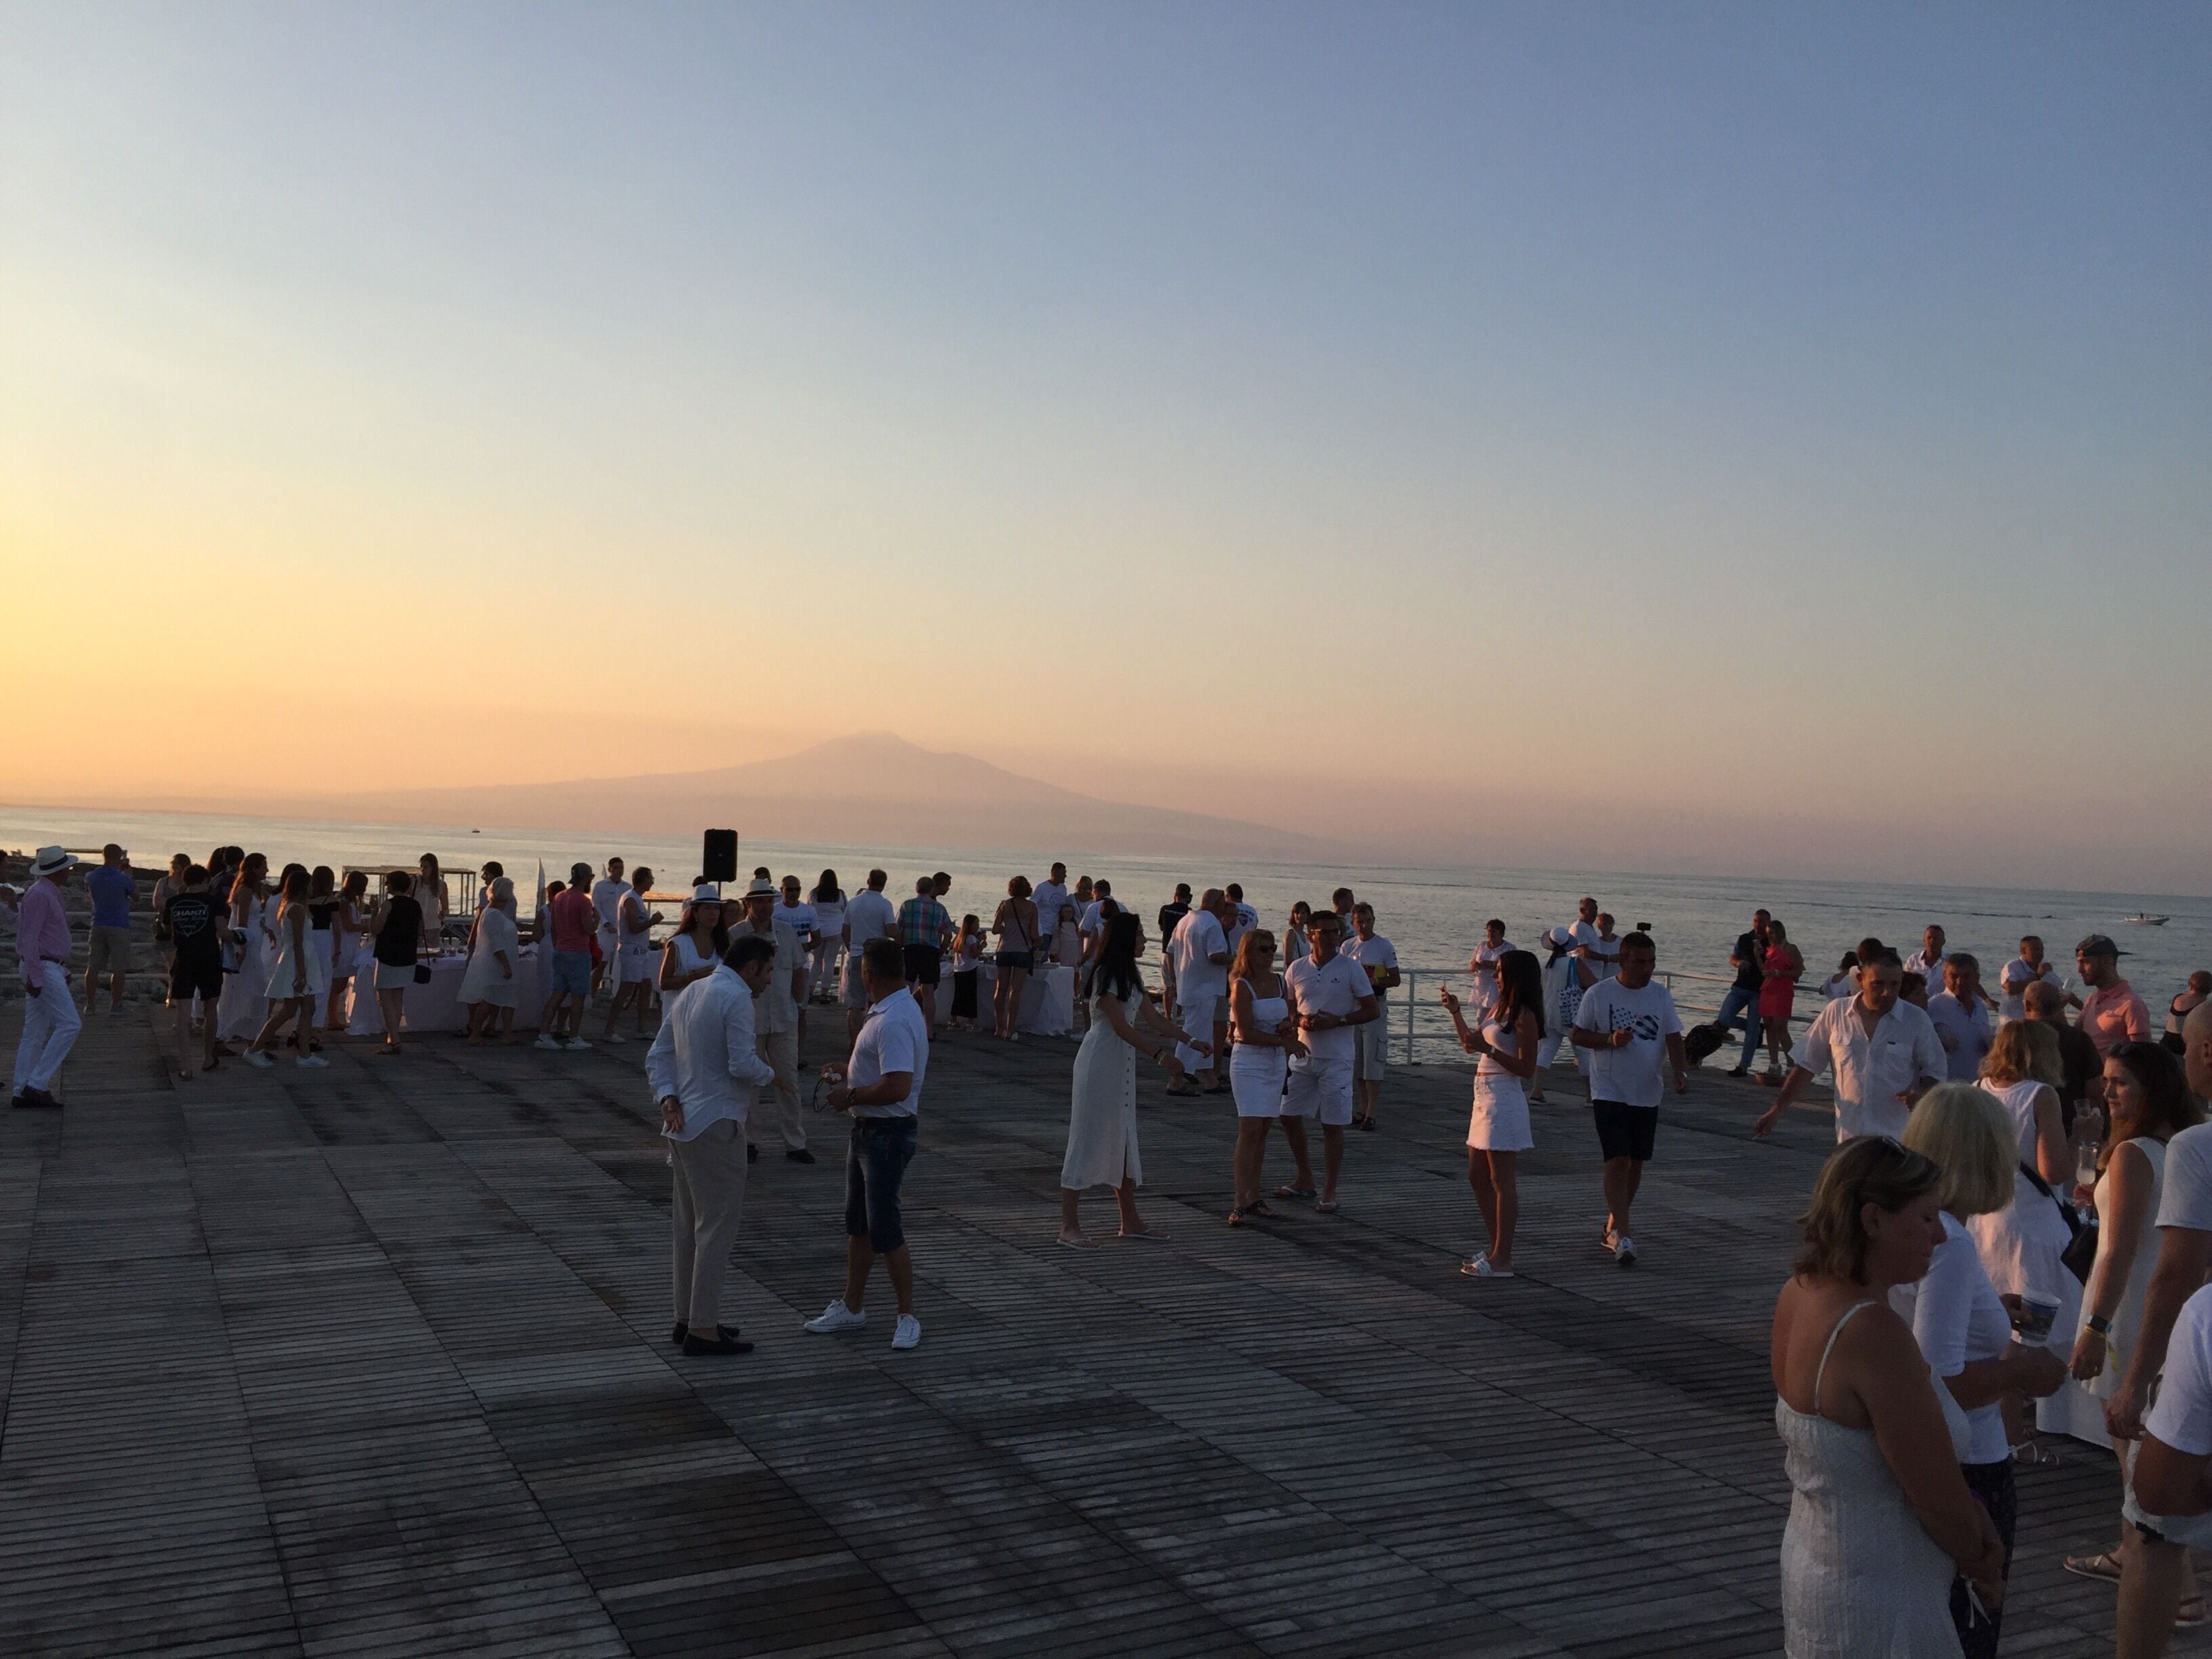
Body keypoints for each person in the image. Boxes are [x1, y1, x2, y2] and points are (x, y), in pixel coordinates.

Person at [1771, 1136, 2007, 1655]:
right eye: (1926, 1218)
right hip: (1883, 1599)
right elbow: (1934, 1496)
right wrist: (1982, 1559)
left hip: (1817, 1568)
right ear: (1873, 1219)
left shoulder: (1799, 1292)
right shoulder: (1873, 1333)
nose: (1940, 1235)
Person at [1896, 1083, 2070, 1656]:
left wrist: (1988, 1308)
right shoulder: (1951, 1244)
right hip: (1969, 1462)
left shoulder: (1919, 1230)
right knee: (1968, 1627)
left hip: (1935, 1459)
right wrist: (2022, 1373)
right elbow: (1940, 1381)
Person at [2057, 1040, 2205, 1615]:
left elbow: (2117, 1251)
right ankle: (2129, 1552)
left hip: (2124, 1310)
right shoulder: (2183, 1148)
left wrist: (2094, 1328)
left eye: (2120, 1082)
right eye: (2106, 1080)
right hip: (2165, 1307)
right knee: (2145, 1439)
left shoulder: (2134, 1154)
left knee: (2132, 1448)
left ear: (2152, 1089)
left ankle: (2179, 1586)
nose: (2106, 1090)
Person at [2103, 1013, 2212, 1655]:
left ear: (2207, 1052)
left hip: (2202, 1341)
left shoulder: (2198, 1147)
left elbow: (2175, 1275)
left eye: (2187, 1047)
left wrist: (2135, 1382)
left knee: (2154, 1519)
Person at [649, 931, 781, 1358]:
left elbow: (659, 1054)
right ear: (751, 968)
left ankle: (687, 1317)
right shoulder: (737, 997)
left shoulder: (693, 991)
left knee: (688, 1228)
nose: (769, 981)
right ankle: (703, 1329)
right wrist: (774, 1075)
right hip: (718, 1125)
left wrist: (668, 1096)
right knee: (716, 1229)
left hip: (683, 1124)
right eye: (768, 971)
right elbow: (741, 1063)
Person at [804, 937, 930, 1353]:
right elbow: (886, 1069)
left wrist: (851, 1096)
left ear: (867, 974)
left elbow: (899, 1086)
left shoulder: (893, 1020)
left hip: (887, 1134)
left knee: (885, 1229)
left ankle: (908, 1315)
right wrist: (850, 1071)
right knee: (859, 1224)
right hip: (869, 1132)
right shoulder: (891, 1010)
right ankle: (852, 1306)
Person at [1057, 912, 1188, 1246]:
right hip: (1099, 1062)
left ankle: (1130, 1221)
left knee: (1125, 1139)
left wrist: (1190, 1040)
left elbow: (1154, 1020)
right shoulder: (1105, 974)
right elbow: (1120, 1027)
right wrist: (1161, 1057)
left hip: (1121, 1066)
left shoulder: (1131, 975)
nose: (1144, 940)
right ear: (1126, 939)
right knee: (1086, 1137)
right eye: (1140, 935)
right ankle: (1069, 1225)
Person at [1570, 930, 1687, 1268]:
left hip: (1647, 1090)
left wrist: (1680, 1071)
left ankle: (1613, 1223)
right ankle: (1624, 1233)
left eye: (1651, 962)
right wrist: (1609, 1039)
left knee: (1636, 1162)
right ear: (1623, 961)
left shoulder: (1660, 995)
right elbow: (1578, 1034)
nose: (1646, 969)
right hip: (1609, 1088)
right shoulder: (1600, 993)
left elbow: (1674, 1036)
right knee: (1617, 1159)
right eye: (1639, 962)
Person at [1755, 949, 1948, 1142]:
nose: (1887, 992)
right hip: (1849, 1136)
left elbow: (1936, 1070)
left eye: (1894, 985)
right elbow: (1806, 1065)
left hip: (1898, 1137)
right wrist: (1777, 1109)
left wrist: (1921, 1092)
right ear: (1860, 979)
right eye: (1878, 984)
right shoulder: (1836, 1012)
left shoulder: (1916, 1019)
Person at [1439, 948, 1541, 1278]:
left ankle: (1503, 1258)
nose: (1495, 976)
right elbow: (1470, 1044)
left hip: (1504, 1095)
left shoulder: (1525, 1016)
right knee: (1477, 1175)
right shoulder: (1498, 1008)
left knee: (1501, 1179)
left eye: (1499, 971)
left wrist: (1490, 1050)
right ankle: (1496, 1245)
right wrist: (1456, 1012)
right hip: (1483, 1094)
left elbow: (1527, 1068)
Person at [1276, 908, 1380, 1215]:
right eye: (1326, 932)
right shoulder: (1297, 968)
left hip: (1337, 1058)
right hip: (1302, 1054)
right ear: (1311, 935)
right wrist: (1300, 1020)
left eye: (1336, 932)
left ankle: (1329, 1190)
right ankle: (1304, 1177)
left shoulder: (1351, 968)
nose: (1333, 938)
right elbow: (1288, 1007)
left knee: (1333, 1124)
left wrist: (1339, 1020)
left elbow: (1372, 1009)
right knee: (1287, 1115)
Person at [734, 876, 810, 1163]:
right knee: (749, 1083)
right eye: (760, 902)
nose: (766, 907)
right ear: (748, 904)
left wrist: (798, 1003)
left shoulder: (787, 933)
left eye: (769, 901)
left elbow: (800, 969)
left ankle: (795, 1142)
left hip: (783, 1017)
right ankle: (749, 1141)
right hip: (748, 1019)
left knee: (788, 1081)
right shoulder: (736, 935)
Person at [1226, 930, 1294, 1225]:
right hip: (1250, 1062)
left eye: (1272, 949)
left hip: (1274, 1062)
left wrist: (1287, 1027)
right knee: (1250, 1129)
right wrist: (1284, 1042)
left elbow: (1286, 1016)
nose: (1269, 955)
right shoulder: (1242, 985)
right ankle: (1239, 1200)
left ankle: (1254, 1195)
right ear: (1249, 953)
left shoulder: (1279, 981)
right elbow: (1246, 1032)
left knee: (1264, 1129)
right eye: (1263, 950)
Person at [11, 847, 83, 1109]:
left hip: (46, 965)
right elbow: (29, 938)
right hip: (42, 965)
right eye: (66, 868)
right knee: (70, 1024)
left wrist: (59, 968)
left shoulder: (44, 892)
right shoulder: (41, 895)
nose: (69, 872)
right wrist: (36, 975)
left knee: (34, 1031)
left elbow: (40, 937)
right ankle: (36, 1084)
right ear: (58, 871)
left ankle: (22, 1088)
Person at [245, 867, 329, 1067]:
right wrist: (302, 973)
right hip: (298, 961)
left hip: (304, 958)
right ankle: (255, 1049)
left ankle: (304, 1054)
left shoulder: (296, 907)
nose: (312, 888)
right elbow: (298, 944)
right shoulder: (296, 910)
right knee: (289, 1010)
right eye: (309, 885)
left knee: (308, 1008)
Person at [1977, 1019, 2071, 1185]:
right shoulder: (2041, 1095)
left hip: (1985, 1197)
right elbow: (2054, 1173)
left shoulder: (1976, 1089)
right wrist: (2082, 1137)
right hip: (2029, 1198)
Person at [160, 863, 225, 1080]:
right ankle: (207, 1057)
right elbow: (222, 931)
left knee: (182, 1013)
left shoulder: (173, 903)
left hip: (184, 958)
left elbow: (167, 929)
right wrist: (238, 937)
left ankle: (186, 1066)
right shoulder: (214, 902)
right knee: (210, 1009)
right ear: (205, 881)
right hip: (209, 958)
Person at [1166, 890, 1231, 1096]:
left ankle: (1209, 1078)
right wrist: (1239, 959)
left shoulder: (1185, 920)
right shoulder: (1212, 923)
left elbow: (1170, 952)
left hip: (1187, 984)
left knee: (1202, 1032)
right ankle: (1175, 1079)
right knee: (1194, 1033)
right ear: (1217, 903)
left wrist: (1175, 978)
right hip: (1205, 986)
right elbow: (1215, 956)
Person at [1341, 903, 1399, 1130]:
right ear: (1353, 923)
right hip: (1354, 1007)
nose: (1364, 926)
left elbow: (1395, 979)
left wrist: (1374, 980)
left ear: (1373, 920)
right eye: (1360, 922)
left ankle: (1372, 1112)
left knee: (1372, 1061)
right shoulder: (1347, 947)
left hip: (1375, 1005)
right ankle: (1362, 1108)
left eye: (1368, 921)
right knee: (1357, 1061)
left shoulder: (1384, 946)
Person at [2026, 978, 2104, 1133]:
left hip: (2027, 1121)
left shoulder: (2016, 1038)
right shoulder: (2080, 1039)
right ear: (2059, 1006)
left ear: (2027, 1005)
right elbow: (2094, 1091)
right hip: (2070, 1123)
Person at [537, 862, 598, 1050]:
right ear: (586, 878)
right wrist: (597, 919)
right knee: (578, 996)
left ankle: (544, 1034)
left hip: (561, 950)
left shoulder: (559, 897)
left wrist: (558, 946)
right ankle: (574, 1036)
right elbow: (588, 928)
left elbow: (554, 927)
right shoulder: (583, 901)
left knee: (557, 994)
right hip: (578, 951)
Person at [216, 853, 271, 1044]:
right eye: (264, 866)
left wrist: (266, 929)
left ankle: (244, 1028)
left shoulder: (253, 889)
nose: (267, 870)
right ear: (255, 869)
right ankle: (240, 1028)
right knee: (254, 985)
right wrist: (243, 948)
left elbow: (256, 916)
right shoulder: (246, 892)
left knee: (249, 985)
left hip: (255, 940)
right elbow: (242, 923)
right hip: (247, 943)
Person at [459, 878, 522, 1045]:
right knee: (488, 1000)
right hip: (497, 965)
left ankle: (507, 1034)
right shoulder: (492, 915)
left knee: (508, 999)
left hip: (506, 961)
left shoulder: (499, 913)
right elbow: (496, 943)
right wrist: (506, 965)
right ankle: (475, 1034)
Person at [601, 866, 661, 1043]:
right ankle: (609, 1030)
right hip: (631, 949)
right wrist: (652, 922)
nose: (653, 881)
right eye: (651, 878)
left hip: (641, 950)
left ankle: (642, 1028)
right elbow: (633, 928)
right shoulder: (630, 899)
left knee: (646, 986)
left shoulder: (637, 899)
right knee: (626, 988)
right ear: (643, 880)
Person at [365, 871, 421, 1055]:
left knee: (385, 999)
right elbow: (420, 930)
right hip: (407, 955)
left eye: (387, 883)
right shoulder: (415, 905)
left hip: (389, 955)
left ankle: (394, 1039)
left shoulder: (388, 905)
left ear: (393, 885)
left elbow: (375, 929)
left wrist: (374, 911)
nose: (385, 886)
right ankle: (393, 1037)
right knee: (397, 997)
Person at [842, 869, 898, 1040]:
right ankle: (871, 1039)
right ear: (884, 884)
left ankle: (855, 1041)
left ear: (868, 881)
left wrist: (851, 949)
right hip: (877, 956)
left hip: (857, 954)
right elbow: (892, 931)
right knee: (877, 1000)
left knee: (855, 1003)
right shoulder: (885, 905)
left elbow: (845, 930)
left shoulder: (854, 902)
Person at [1716, 909, 1771, 1078]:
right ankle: (1755, 1029)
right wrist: (1738, 963)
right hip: (1740, 986)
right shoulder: (1744, 938)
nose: (1758, 924)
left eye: (1762, 921)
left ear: (1768, 923)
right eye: (1756, 921)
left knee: (1752, 1029)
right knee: (1724, 1018)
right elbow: (1733, 956)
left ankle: (1743, 1066)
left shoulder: (1772, 942)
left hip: (1760, 990)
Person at [2080, 934, 2154, 1058]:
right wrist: (2056, 1008)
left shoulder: (2131, 1004)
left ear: (2108, 961)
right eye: (2079, 963)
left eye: (2086, 962)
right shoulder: (2092, 999)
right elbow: (2073, 1036)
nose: (2080, 970)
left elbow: (2143, 1056)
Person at [83, 843, 134, 1017]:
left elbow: (90, 893)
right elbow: (136, 895)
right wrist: (128, 876)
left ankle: (90, 1004)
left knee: (93, 966)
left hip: (98, 922)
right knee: (119, 967)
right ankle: (116, 1004)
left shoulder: (91, 876)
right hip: (119, 925)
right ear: (119, 858)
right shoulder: (123, 878)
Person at [1926, 956, 1993, 1083]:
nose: (1960, 982)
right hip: (1947, 1085)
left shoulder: (1980, 1006)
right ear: (1945, 977)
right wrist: (1942, 1045)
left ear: (1977, 978)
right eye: (1954, 976)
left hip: (1977, 1085)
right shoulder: (1934, 1006)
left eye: (1966, 977)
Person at [989, 876, 1040, 1041]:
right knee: (1015, 991)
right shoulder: (1031, 907)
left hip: (1004, 949)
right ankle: (1010, 1029)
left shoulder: (1005, 905)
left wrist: (1006, 930)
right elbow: (1034, 934)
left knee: (1000, 989)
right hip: (1022, 951)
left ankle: (999, 1027)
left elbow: (995, 929)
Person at [659, 884, 727, 998]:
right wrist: (692, 978)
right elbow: (664, 983)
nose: (713, 913)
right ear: (695, 913)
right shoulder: (678, 944)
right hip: (682, 1006)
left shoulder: (723, 942)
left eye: (716, 908)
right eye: (707, 908)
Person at [325, 871, 370, 1033]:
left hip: (349, 945)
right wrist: (368, 927)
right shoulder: (344, 903)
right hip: (344, 945)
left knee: (339, 984)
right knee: (337, 985)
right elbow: (348, 926)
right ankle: (331, 1019)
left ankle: (332, 1018)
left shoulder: (349, 902)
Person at [1759, 918, 1803, 1078]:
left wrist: (1779, 973)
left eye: (1772, 933)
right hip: (1768, 989)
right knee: (1769, 1025)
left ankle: (1792, 1064)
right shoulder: (1770, 949)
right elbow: (1764, 970)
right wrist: (1757, 955)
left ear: (1779, 933)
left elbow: (1798, 971)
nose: (1770, 937)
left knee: (1780, 1027)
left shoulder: (1791, 949)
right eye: (1768, 934)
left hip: (1782, 990)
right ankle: (1774, 1063)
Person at [1999, 936, 2064, 1024]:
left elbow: (2062, 991)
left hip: (2037, 1025)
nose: (2040, 953)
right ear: (2024, 951)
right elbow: (2010, 989)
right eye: (2036, 949)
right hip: (2014, 1023)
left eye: (2042, 950)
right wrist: (2038, 976)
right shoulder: (2012, 967)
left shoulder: (2045, 970)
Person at [589, 857, 628, 994]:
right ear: (610, 869)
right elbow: (596, 907)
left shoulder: (628, 888)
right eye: (616, 867)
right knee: (601, 964)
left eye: (621, 867)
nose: (619, 870)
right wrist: (606, 923)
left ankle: (618, 994)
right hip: (605, 933)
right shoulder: (600, 886)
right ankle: (592, 994)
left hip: (622, 933)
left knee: (622, 965)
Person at [808, 871, 846, 1004]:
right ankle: (824, 994)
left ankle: (810, 992)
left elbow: (809, 909)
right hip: (836, 931)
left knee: (816, 962)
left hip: (818, 931)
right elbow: (845, 910)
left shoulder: (814, 894)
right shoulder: (840, 894)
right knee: (829, 963)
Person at [151, 852, 189, 973]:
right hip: (165, 926)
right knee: (171, 961)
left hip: (184, 926)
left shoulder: (188, 884)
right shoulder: (164, 882)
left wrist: (168, 903)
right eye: (173, 863)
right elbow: (157, 903)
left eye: (178, 863)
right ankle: (172, 983)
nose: (175, 865)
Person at [947, 915, 985, 1031]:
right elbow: (974, 954)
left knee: (958, 995)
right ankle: (971, 1022)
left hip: (959, 969)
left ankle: (953, 1020)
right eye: (976, 924)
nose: (978, 926)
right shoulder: (971, 938)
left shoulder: (960, 937)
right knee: (971, 996)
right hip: (970, 968)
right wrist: (982, 946)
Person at [1035, 863, 1076, 968]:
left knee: (1057, 958)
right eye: (1063, 873)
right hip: (1044, 929)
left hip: (1058, 929)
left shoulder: (1062, 888)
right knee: (1042, 958)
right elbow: (1032, 904)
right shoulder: (1042, 888)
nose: (1065, 876)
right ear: (1054, 873)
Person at [1468, 918, 1513, 1015]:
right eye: (1489, 931)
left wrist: (1490, 965)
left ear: (1501, 933)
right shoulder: (1482, 945)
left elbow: (1512, 967)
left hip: (1498, 988)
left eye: (1495, 931)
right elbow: (1472, 961)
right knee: (1481, 1018)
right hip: (1482, 987)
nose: (1491, 934)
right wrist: (1474, 965)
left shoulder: (1509, 948)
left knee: (1498, 1017)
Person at [2169, 973, 2212, 1058]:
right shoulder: (2204, 1007)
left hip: (2167, 1043)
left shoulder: (2178, 998)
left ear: (2190, 985)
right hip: (2185, 1048)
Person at [414, 854, 449, 953]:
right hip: (415, 926)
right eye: (421, 866)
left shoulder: (441, 885)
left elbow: (446, 908)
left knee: (432, 954)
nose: (422, 870)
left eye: (426, 867)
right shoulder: (414, 882)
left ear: (433, 868)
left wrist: (443, 913)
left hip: (433, 926)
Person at [1283, 901, 1313, 975]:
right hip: (1294, 974)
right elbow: (1288, 961)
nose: (1299, 916)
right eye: (1297, 913)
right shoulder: (1291, 934)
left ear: (1307, 915)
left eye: (1303, 913)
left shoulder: (1305, 935)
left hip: (1304, 973)